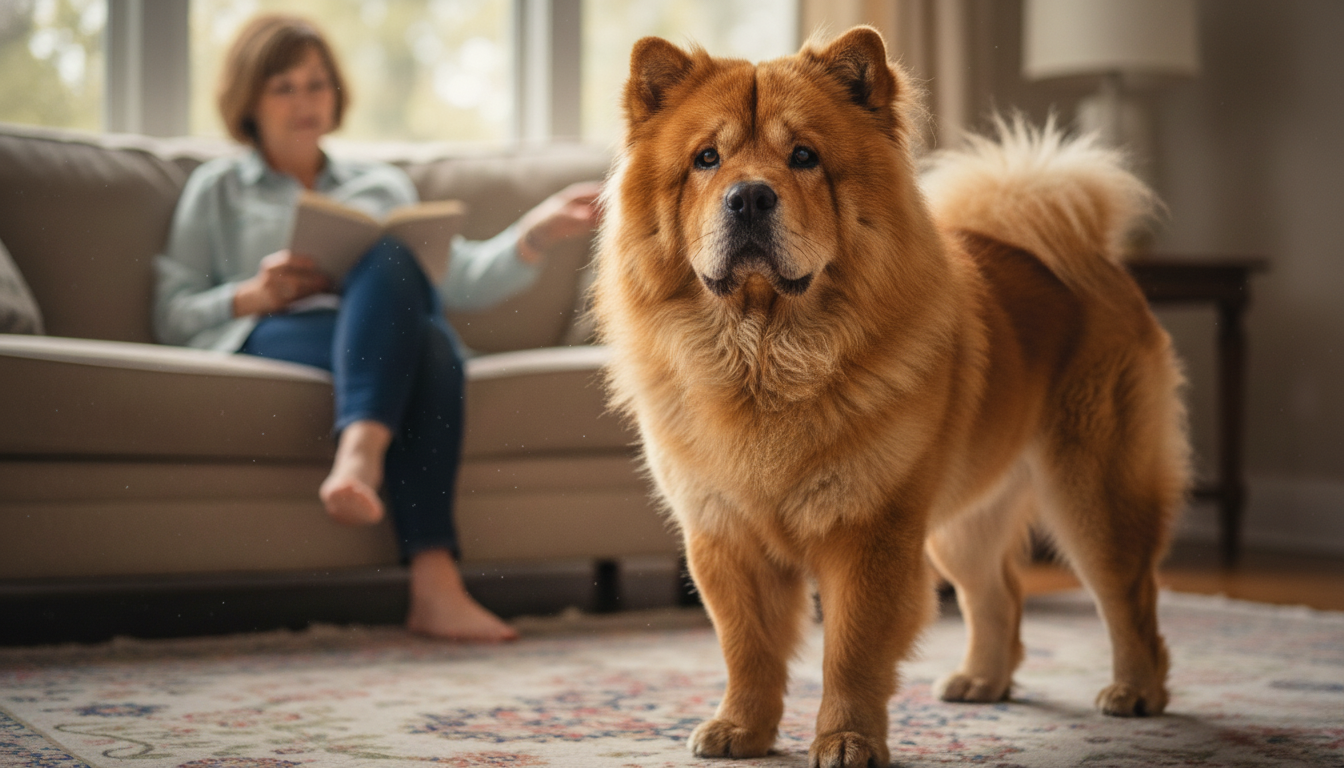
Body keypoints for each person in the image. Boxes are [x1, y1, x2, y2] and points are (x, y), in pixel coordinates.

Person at [152, 14, 600, 642]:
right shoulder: (217, 191)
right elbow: (172, 314)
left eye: (317, 84)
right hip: (281, 335)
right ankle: (425, 566)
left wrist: (540, 229)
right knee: (431, 342)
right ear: (249, 100)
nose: (305, 102)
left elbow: (461, 276)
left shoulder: (379, 183)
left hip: (382, 338)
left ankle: (377, 489)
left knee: (416, 306)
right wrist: (253, 294)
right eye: (284, 87)